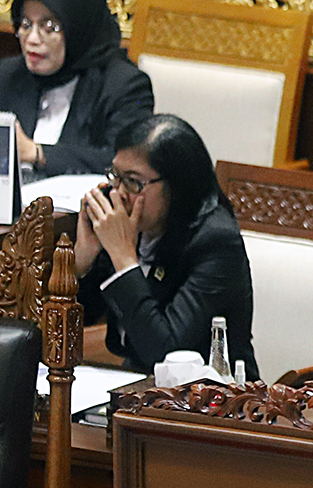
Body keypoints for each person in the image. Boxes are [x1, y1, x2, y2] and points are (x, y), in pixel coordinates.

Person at [76, 114, 259, 380]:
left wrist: (123, 257)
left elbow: (165, 351)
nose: (118, 194)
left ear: (177, 185)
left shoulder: (216, 242)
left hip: (211, 400)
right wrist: (80, 264)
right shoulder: (127, 223)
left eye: (133, 181)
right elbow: (77, 322)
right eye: (115, 176)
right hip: (134, 388)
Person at [0, 0, 153, 178]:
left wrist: (35, 153)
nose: (32, 39)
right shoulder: (9, 73)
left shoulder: (125, 85)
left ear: (78, 29)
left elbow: (126, 162)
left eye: (50, 27)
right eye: (26, 25)